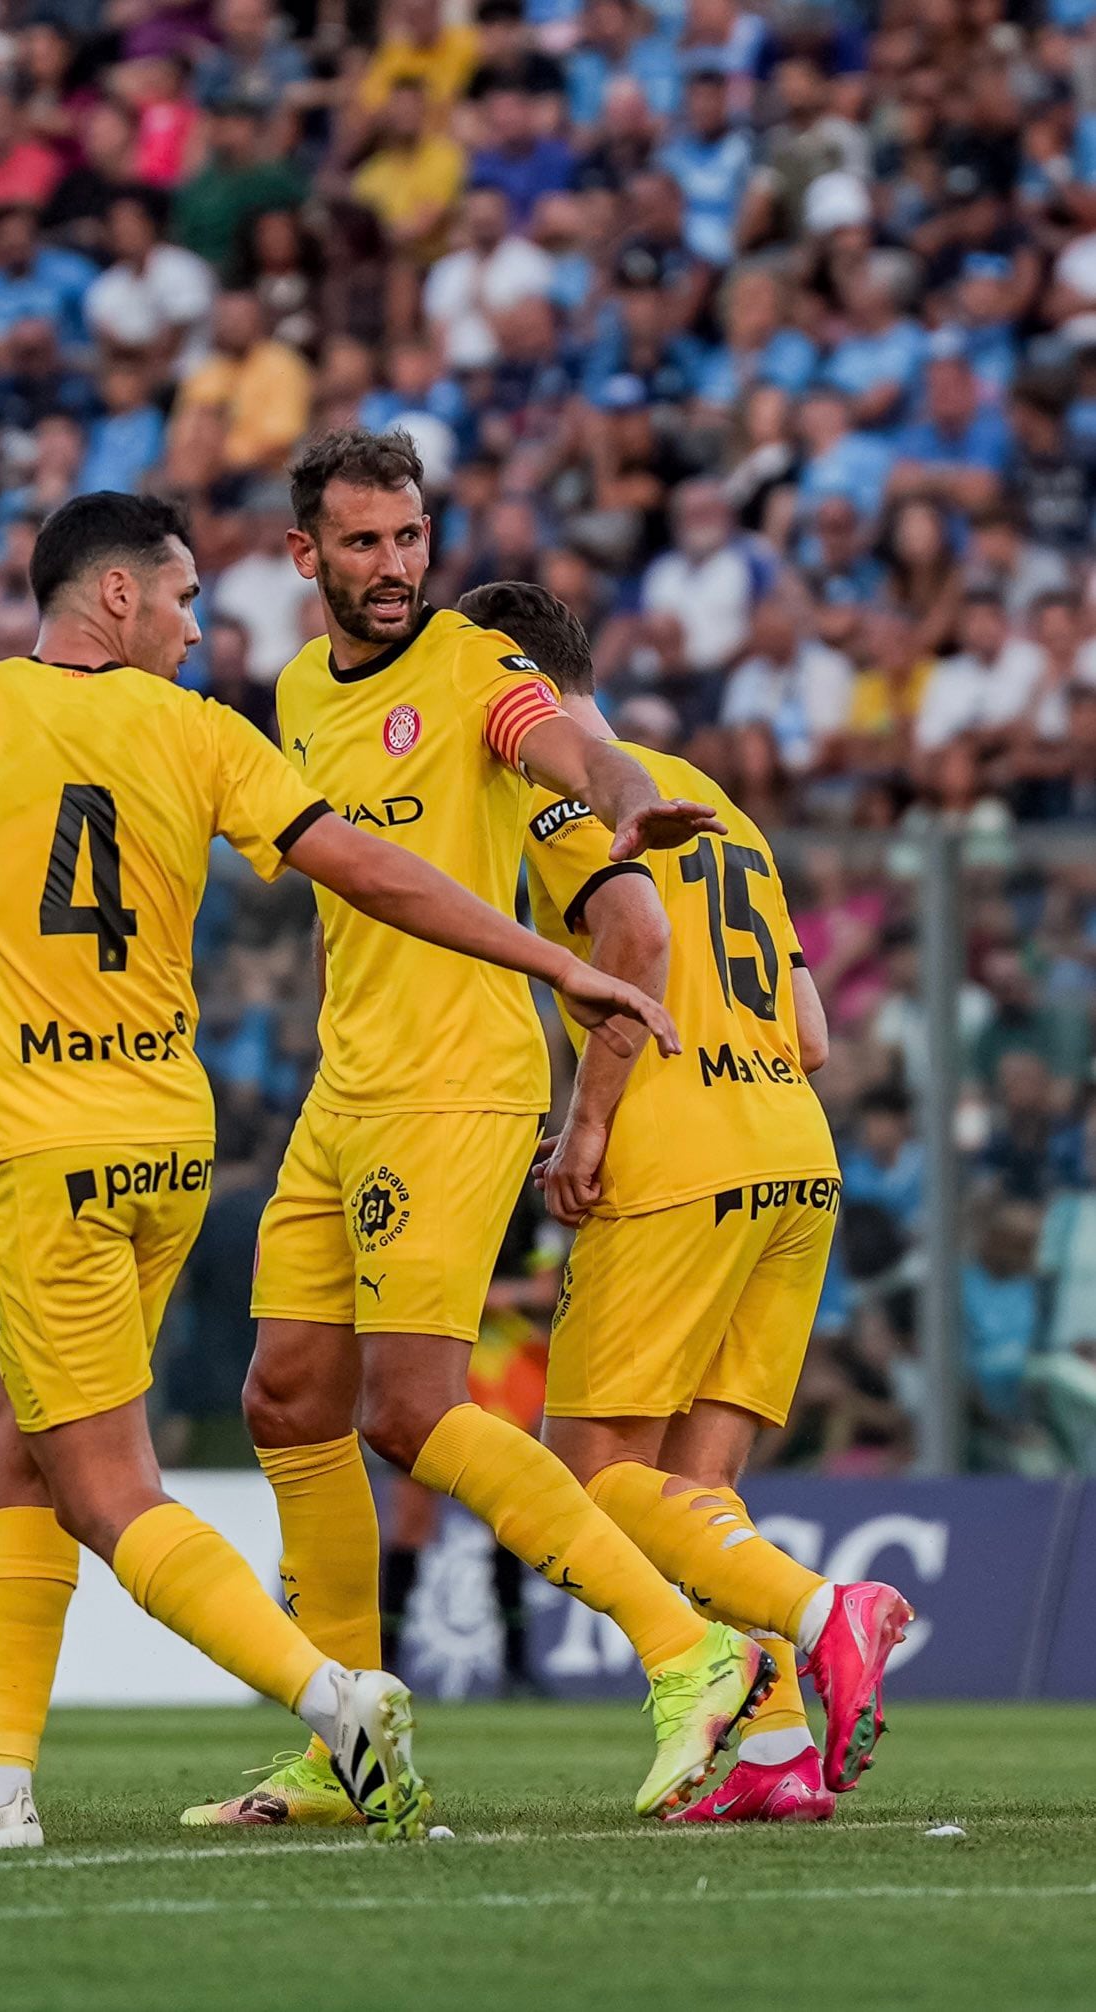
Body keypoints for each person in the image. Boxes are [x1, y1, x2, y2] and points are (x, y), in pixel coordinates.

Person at [0, 488, 679, 1851]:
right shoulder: (209, 732)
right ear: (114, 595)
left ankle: (332, 1697)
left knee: (106, 1487)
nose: (196, 626)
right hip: (169, 1143)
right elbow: (374, 872)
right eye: (183, 597)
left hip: (44, 1146)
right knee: (15, 1442)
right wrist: (550, 961)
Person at [185, 428, 771, 1833]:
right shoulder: (295, 692)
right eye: (364, 542)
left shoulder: (471, 663)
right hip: (344, 1088)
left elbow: (567, 744)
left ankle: (689, 1651)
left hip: (457, 1083)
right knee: (284, 1397)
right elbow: (335, 892)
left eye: (410, 536)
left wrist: (626, 798)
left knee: (408, 1409)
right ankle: (344, 1741)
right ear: (304, 554)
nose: (394, 566)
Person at [461, 580, 916, 1819]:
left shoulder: (558, 794)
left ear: (509, 680)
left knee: (587, 1476)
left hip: (676, 1157)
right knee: (694, 1495)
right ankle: (774, 1752)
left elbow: (636, 940)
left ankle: (824, 1609)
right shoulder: (721, 806)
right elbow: (811, 1032)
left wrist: (587, 1120)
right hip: (791, 1148)